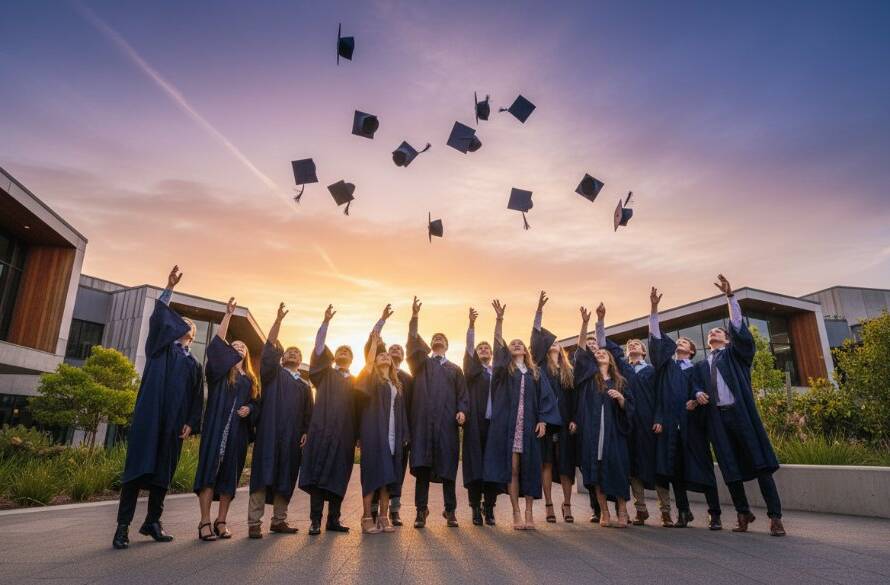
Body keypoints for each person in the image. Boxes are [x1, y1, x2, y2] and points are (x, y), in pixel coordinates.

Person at [113, 266, 204, 550]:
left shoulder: (194, 365)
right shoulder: (159, 349)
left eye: (187, 323)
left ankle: (152, 521)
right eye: (178, 321)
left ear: (193, 334)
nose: (181, 324)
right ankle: (122, 527)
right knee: (136, 471)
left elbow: (197, 398)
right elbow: (158, 320)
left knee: (163, 474)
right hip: (150, 419)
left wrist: (191, 422)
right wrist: (169, 288)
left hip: (174, 425)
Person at [692, 275, 786, 536]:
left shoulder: (736, 356)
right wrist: (698, 393)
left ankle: (775, 517)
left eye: (718, 331)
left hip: (741, 415)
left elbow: (738, 328)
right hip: (717, 419)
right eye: (711, 332)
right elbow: (695, 386)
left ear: (728, 339)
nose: (713, 333)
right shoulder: (702, 365)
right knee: (729, 468)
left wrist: (730, 298)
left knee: (761, 465)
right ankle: (743, 513)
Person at [648, 287, 723, 530]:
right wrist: (654, 309)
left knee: (703, 467)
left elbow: (700, 387)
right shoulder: (666, 368)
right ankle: (683, 511)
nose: (678, 343)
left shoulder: (698, 367)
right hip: (672, 426)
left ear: (691, 351)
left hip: (693, 426)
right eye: (676, 341)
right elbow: (657, 340)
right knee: (675, 470)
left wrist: (698, 395)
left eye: (683, 342)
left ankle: (715, 514)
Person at [484, 299, 562, 530]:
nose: (516, 344)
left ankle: (529, 513)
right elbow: (498, 343)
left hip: (529, 427)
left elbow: (546, 398)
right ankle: (516, 513)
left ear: (526, 350)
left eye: (520, 343)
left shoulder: (536, 373)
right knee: (514, 469)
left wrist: (543, 420)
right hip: (509, 428)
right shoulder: (503, 371)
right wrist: (499, 320)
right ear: (509, 351)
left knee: (530, 469)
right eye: (513, 344)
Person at [596, 302, 667, 527]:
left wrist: (659, 418)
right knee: (632, 465)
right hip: (627, 422)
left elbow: (660, 397)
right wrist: (600, 322)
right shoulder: (624, 370)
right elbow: (604, 345)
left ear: (644, 350)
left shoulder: (653, 371)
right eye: (630, 345)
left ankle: (666, 510)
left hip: (649, 422)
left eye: (638, 343)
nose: (633, 346)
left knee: (657, 463)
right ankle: (641, 509)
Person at [193, 297, 258, 541]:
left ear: (247, 354)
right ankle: (204, 522)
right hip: (216, 429)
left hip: (237, 434)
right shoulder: (219, 373)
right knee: (209, 472)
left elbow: (256, 403)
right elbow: (218, 344)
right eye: (236, 345)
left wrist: (250, 410)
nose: (239, 348)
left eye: (243, 347)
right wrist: (227, 316)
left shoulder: (251, 379)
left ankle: (222, 521)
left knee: (229, 475)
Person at [248, 303, 313, 539]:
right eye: (289, 352)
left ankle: (279, 520)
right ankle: (254, 523)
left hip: (292, 436)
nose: (293, 354)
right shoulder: (272, 375)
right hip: (269, 432)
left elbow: (309, 413)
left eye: (297, 353)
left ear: (301, 359)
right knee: (262, 473)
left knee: (286, 475)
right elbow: (268, 348)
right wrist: (277, 321)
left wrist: (305, 431)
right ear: (282, 357)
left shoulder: (304, 386)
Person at [406, 296, 469, 528]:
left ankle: (450, 511)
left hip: (446, 426)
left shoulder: (455, 369)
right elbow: (412, 342)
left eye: (441, 337)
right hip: (423, 424)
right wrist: (414, 317)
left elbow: (463, 395)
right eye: (434, 338)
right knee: (422, 468)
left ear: (447, 345)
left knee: (448, 469)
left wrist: (462, 411)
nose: (437, 339)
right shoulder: (421, 364)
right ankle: (421, 511)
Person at [572, 305, 634, 528]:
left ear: (610, 359)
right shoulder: (588, 379)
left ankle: (623, 510)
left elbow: (630, 407)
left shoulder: (620, 382)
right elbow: (580, 353)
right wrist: (586, 323)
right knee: (595, 473)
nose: (599, 353)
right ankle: (604, 512)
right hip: (593, 433)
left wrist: (621, 400)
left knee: (617, 470)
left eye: (603, 352)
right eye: (596, 353)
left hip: (614, 434)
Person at [300, 304, 357, 535]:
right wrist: (325, 323)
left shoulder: (357, 381)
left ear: (352, 360)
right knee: (316, 475)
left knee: (338, 475)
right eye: (340, 352)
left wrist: (359, 436)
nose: (342, 354)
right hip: (321, 430)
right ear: (334, 358)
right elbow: (319, 347)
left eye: (347, 352)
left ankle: (333, 519)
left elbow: (361, 410)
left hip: (344, 434)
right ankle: (315, 521)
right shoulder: (325, 374)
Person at [355, 328, 410, 534]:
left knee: (389, 476)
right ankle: (366, 516)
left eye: (387, 355)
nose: (385, 356)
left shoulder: (397, 383)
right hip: (373, 432)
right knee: (371, 474)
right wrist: (375, 344)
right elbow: (369, 364)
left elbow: (401, 411)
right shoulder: (371, 378)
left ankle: (384, 516)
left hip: (393, 434)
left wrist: (404, 434)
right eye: (381, 355)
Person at [530, 291, 577, 523]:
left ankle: (567, 505)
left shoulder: (569, 371)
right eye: (550, 342)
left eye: (557, 342)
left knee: (566, 466)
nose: (554, 343)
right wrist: (539, 311)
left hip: (566, 422)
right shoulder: (539, 367)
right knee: (546, 462)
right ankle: (549, 505)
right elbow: (535, 338)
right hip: (547, 423)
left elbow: (574, 398)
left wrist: (574, 418)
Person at [462, 307, 499, 526]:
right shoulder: (473, 372)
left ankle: (490, 507)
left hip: (494, 425)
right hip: (475, 424)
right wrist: (471, 325)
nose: (484, 349)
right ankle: (475, 508)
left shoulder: (498, 372)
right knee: (475, 465)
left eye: (487, 347)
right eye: (480, 347)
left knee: (492, 465)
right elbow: (468, 348)